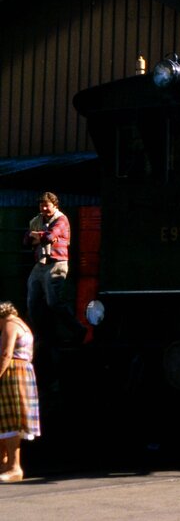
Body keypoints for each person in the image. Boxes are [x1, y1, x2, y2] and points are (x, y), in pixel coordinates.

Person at [24, 192, 84, 348]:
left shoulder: (61, 219)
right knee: (32, 303)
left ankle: (78, 330)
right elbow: (25, 240)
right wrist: (38, 235)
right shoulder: (37, 220)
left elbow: (49, 237)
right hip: (40, 264)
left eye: (47, 205)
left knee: (54, 302)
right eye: (41, 205)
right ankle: (42, 336)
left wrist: (36, 235)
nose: (43, 208)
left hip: (57, 264)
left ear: (55, 206)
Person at [0, 301, 40, 481]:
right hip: (22, 372)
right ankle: (5, 464)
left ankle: (14, 468)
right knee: (7, 420)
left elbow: (6, 354)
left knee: (10, 420)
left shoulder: (9, 325)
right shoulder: (21, 324)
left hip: (13, 372)